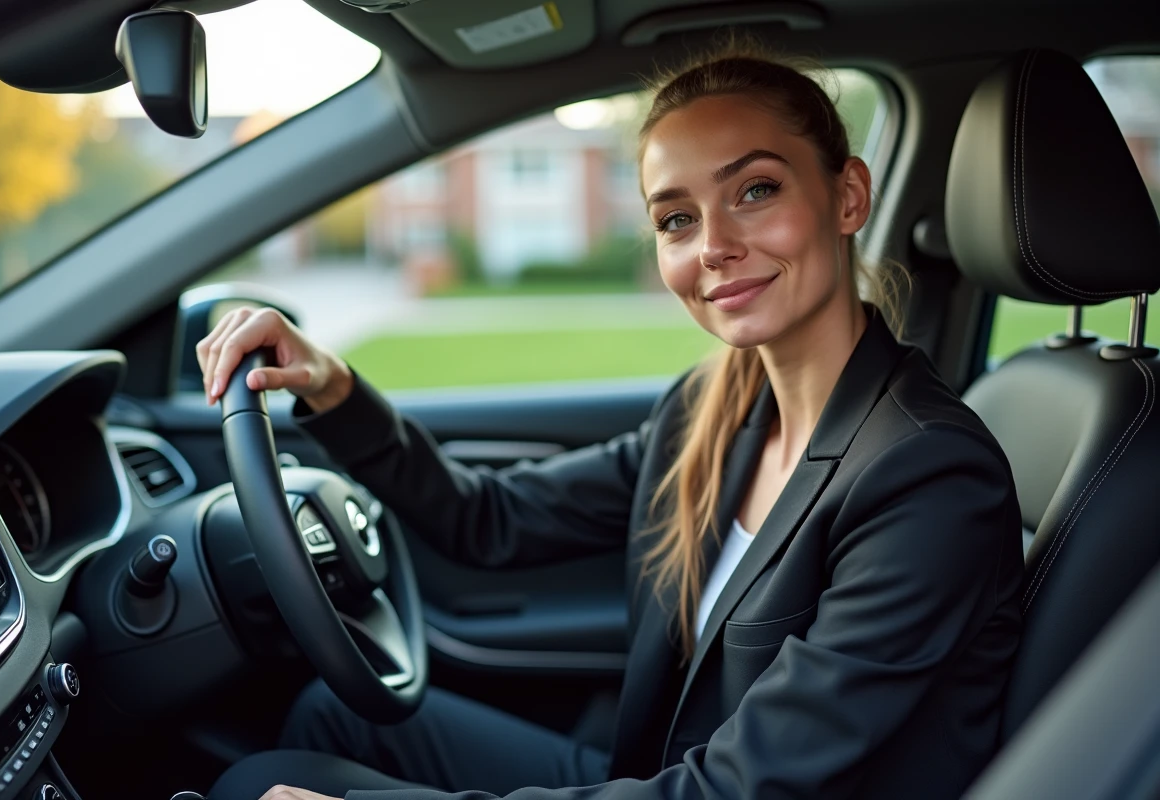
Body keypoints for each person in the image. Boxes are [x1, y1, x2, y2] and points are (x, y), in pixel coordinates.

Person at [199, 38, 1023, 800]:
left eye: (756, 190)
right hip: (654, 775)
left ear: (847, 198)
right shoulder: (711, 409)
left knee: (261, 785)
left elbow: (739, 789)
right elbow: (488, 520)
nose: (713, 245)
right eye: (677, 218)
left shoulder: (927, 477)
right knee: (324, 720)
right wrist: (332, 387)